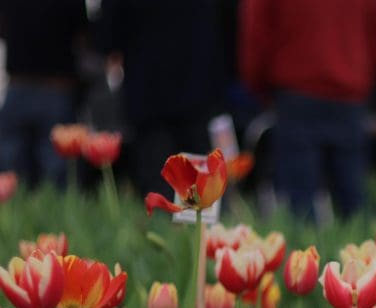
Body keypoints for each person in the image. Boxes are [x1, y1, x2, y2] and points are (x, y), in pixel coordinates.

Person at [238, 0, 376, 221]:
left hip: (296, 92)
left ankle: (307, 254)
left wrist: (258, 86)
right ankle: (369, 253)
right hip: (348, 94)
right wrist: (361, 77)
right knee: (354, 199)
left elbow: (256, 36)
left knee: (300, 200)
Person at [98, 0, 232, 195]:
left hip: (149, 94)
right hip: (200, 90)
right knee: (204, 190)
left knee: (158, 187)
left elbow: (107, 37)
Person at [0, 0, 89, 186]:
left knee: (12, 177)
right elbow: (83, 35)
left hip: (18, 86)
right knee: (60, 177)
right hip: (57, 89)